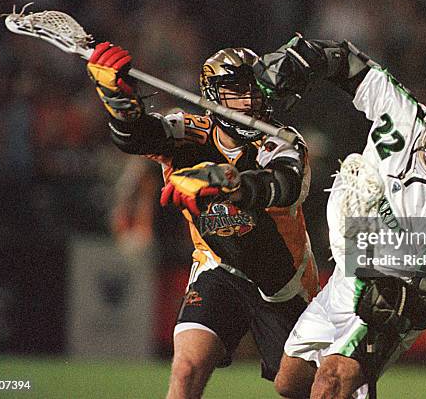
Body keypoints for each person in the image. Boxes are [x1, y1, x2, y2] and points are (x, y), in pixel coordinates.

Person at [253, 36, 426, 399]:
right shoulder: (401, 111)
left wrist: (393, 299)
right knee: (290, 382)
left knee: (330, 382)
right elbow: (345, 62)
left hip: (387, 294)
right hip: (348, 272)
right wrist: (302, 60)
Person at [86, 42, 319, 399]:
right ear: (213, 94)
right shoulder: (188, 130)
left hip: (283, 282)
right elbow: (138, 135)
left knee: (298, 388)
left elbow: (282, 186)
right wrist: (119, 103)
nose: (250, 101)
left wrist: (228, 184)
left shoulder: (283, 141)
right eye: (237, 90)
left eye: (255, 88)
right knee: (185, 371)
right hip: (218, 269)